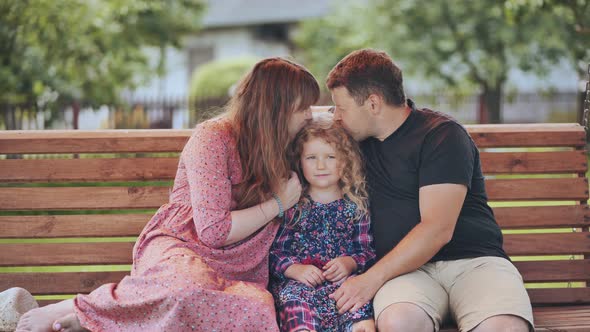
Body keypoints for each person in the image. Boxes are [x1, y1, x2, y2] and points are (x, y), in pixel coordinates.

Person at [16, 57, 320, 332]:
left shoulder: (290, 144)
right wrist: (278, 203)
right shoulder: (214, 137)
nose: (310, 114)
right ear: (277, 108)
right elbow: (214, 231)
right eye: (303, 106)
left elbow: (335, 125)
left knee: (257, 309)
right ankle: (82, 311)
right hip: (183, 246)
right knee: (185, 288)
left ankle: (102, 321)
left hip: (242, 264)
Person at [325, 49, 534, 332]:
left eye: (341, 107)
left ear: (373, 103)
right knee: (398, 324)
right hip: (407, 273)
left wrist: (369, 280)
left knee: (503, 328)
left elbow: (437, 229)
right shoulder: (357, 141)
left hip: (473, 263)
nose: (335, 116)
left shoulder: (442, 135)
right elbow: (302, 124)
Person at [269, 114, 376, 332]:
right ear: (299, 161)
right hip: (301, 285)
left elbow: (368, 251)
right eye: (311, 158)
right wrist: (294, 269)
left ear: (345, 160)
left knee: (361, 313)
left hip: (344, 284)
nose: (320, 165)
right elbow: (274, 252)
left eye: (330, 157)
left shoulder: (356, 206)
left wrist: (350, 263)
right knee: (293, 302)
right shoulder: (293, 204)